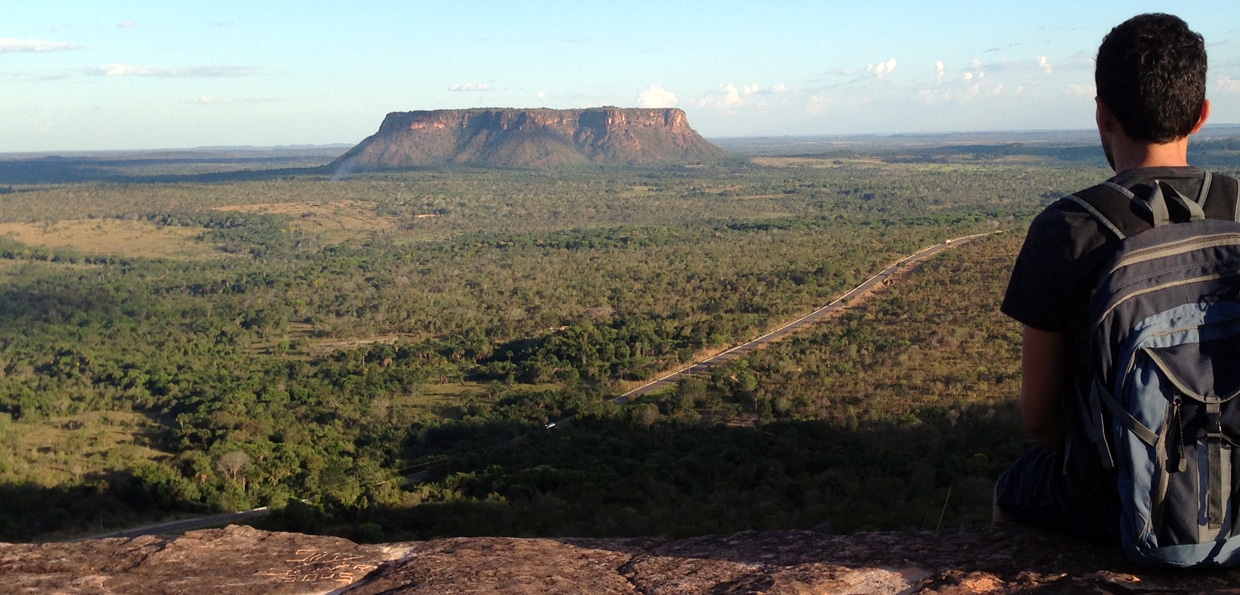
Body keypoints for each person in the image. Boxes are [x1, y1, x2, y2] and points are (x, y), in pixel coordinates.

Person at [994, 13, 1234, 543]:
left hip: (1112, 503)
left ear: (1102, 114)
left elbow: (1038, 416)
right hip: (1237, 491)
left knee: (1014, 487)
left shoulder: (1067, 229)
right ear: (1202, 115)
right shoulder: (1239, 207)